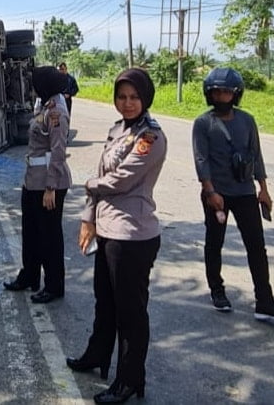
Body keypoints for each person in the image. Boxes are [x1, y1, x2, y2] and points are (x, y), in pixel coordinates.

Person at [67, 68, 166, 404]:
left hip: (132, 236)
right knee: (105, 302)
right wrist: (88, 218)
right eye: (122, 97)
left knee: (131, 313)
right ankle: (97, 355)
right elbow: (100, 175)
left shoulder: (151, 136)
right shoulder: (117, 130)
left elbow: (120, 180)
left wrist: (90, 185)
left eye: (134, 97)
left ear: (145, 98)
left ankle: (129, 380)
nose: (127, 103)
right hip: (107, 230)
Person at [192, 67, 274, 321]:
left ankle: (264, 301)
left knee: (257, 246)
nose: (221, 96)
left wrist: (264, 191)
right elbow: (201, 160)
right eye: (216, 92)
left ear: (235, 94)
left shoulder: (247, 120)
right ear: (209, 94)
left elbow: (256, 155)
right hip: (217, 194)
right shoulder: (203, 123)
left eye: (226, 92)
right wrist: (210, 192)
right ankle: (218, 291)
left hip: (245, 191)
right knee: (215, 243)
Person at [3, 66, 72, 304]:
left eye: (35, 83)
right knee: (31, 233)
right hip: (33, 181)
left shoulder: (57, 112)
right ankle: (29, 276)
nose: (32, 87)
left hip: (48, 185)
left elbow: (58, 151)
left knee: (50, 237)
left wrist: (51, 188)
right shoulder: (45, 105)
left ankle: (54, 285)